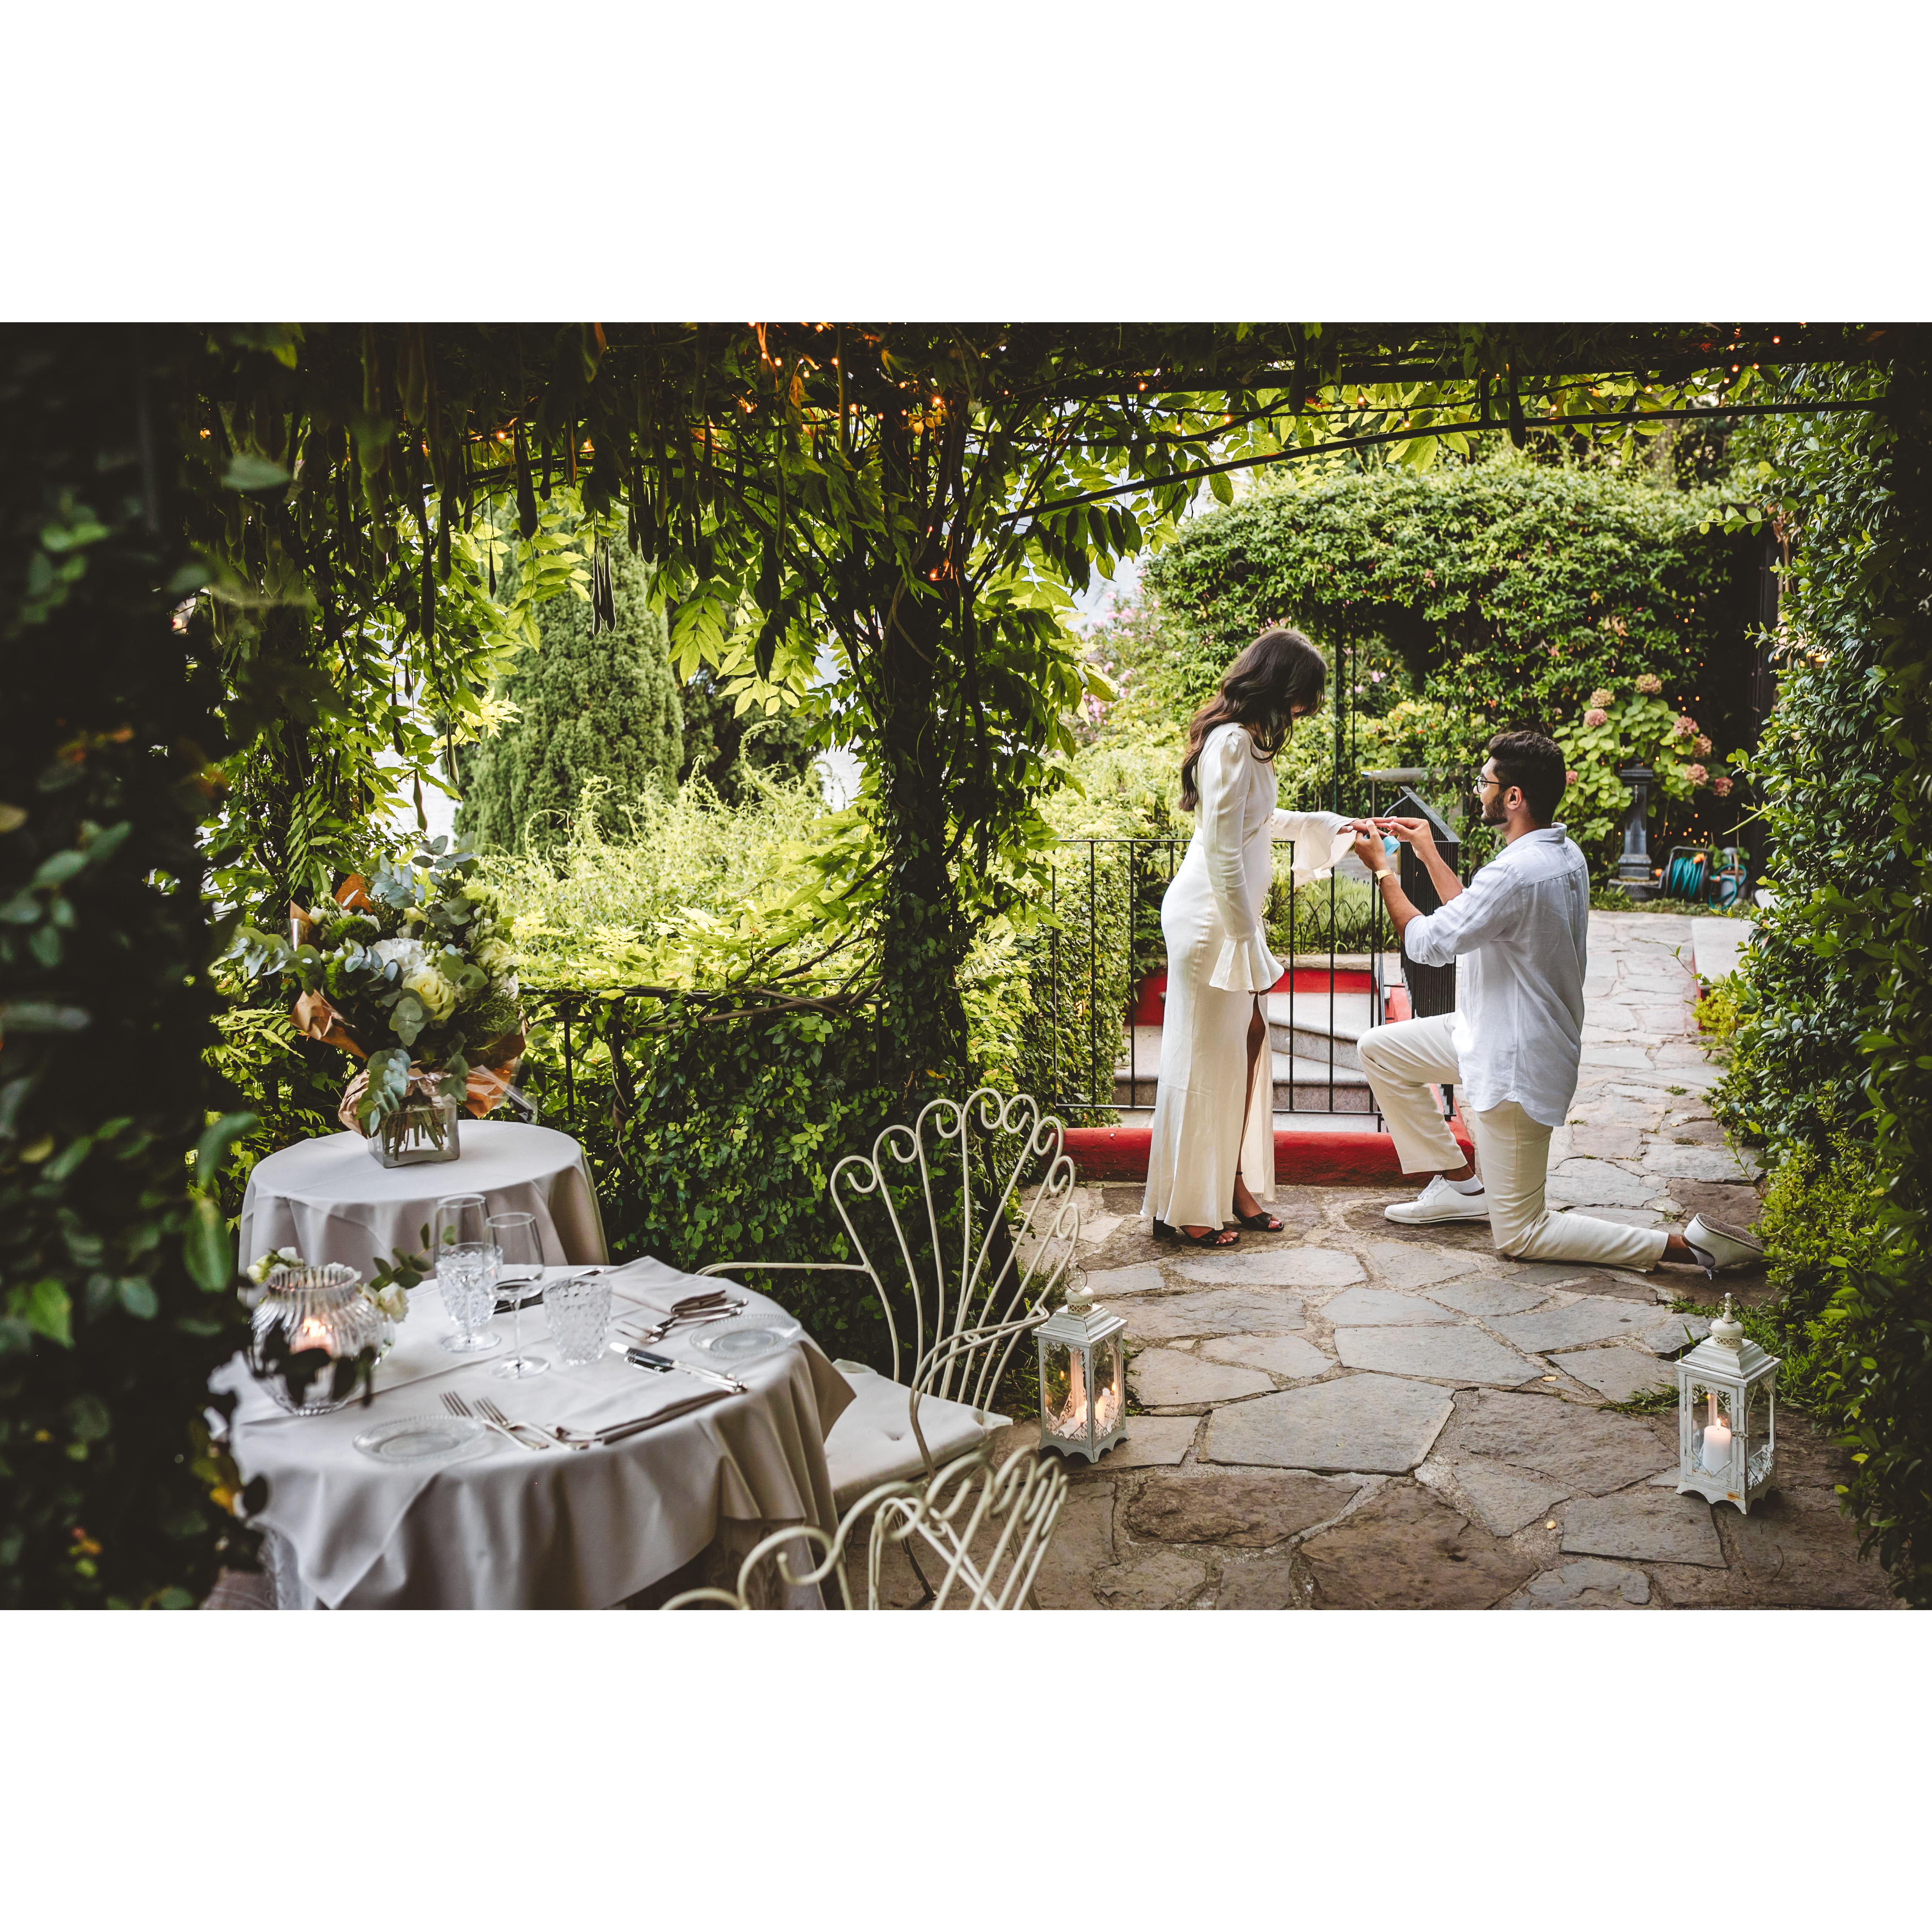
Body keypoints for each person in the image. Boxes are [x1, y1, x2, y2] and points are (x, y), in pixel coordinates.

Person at [1349, 728, 1757, 1276]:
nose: (1479, 791)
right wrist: (1425, 851)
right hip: (1488, 1031)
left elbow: (1426, 944)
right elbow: (1471, 914)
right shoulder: (1562, 853)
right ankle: (1460, 1186)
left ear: (1514, 797)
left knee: (1521, 1234)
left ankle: (1688, 1248)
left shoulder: (1515, 872)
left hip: (1516, 1062)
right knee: (1381, 1050)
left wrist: (1383, 870)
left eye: (1485, 783)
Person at [1142, 629, 1355, 1247]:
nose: (1305, 710)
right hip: (1213, 920)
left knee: (1246, 1042)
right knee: (1203, 1057)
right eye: (1305, 696)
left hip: (1232, 919)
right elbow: (1221, 850)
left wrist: (1334, 824)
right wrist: (1243, 934)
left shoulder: (1249, 743)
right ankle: (1187, 1206)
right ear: (1280, 685)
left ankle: (1228, 1183)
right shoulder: (1232, 742)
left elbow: (1258, 822)